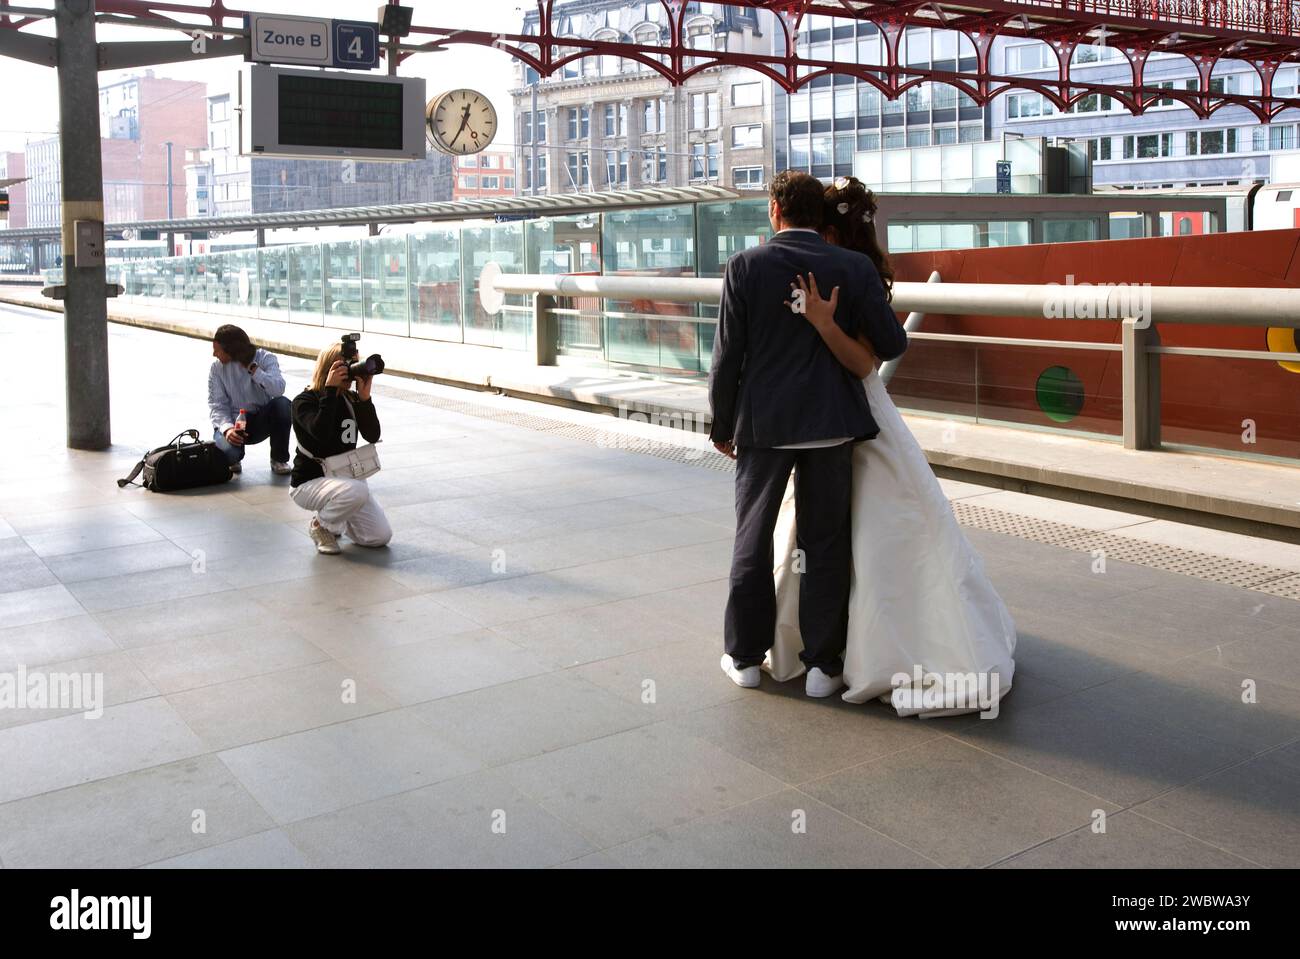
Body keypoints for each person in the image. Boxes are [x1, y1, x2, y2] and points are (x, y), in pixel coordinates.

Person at [767, 177, 1017, 717]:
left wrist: (823, 326)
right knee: (888, 527)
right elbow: (881, 352)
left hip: (830, 421)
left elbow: (865, 357)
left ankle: (818, 649)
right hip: (862, 416)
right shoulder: (860, 273)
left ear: (828, 228)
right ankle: (876, 645)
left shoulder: (821, 276)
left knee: (817, 535)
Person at [708, 170, 909, 698]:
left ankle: (746, 659)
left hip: (765, 427)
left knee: (752, 539)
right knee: (825, 544)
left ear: (775, 210)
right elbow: (891, 344)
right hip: (832, 426)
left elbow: (728, 355)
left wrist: (722, 423)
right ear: (820, 215)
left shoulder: (746, 266)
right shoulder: (854, 266)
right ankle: (823, 667)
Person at [288, 342, 391, 555]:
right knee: (358, 490)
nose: (354, 369)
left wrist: (365, 399)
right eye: (349, 364)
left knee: (379, 536)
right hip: (309, 483)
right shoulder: (304, 401)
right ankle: (321, 525)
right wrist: (330, 391)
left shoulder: (351, 399)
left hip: (345, 480)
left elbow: (373, 436)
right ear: (330, 369)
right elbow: (321, 434)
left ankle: (336, 519)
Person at [208, 324, 292, 475]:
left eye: (217, 349)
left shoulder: (265, 358)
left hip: (259, 420)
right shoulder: (216, 369)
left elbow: (278, 389)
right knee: (229, 457)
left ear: (231, 349)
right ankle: (234, 456)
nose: (214, 354)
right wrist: (227, 429)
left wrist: (255, 370)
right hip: (233, 423)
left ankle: (279, 459)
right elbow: (217, 405)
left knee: (283, 404)